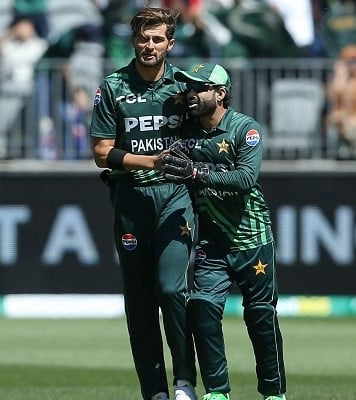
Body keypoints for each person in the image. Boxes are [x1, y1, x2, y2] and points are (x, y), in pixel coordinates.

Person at [161, 63, 287, 400]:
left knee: (260, 316)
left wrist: (196, 173)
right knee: (201, 306)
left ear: (220, 93)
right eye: (188, 88)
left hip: (253, 238)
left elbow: (246, 179)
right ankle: (217, 391)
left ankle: (274, 393)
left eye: (200, 88)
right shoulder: (185, 131)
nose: (191, 94)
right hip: (212, 240)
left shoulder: (244, 129)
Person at [89, 7, 197, 400]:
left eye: (157, 39)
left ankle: (185, 380)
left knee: (171, 289)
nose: (148, 46)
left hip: (174, 198)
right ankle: (155, 392)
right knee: (139, 302)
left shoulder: (183, 88)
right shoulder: (114, 86)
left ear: (170, 43)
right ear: (133, 40)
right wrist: (149, 161)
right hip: (131, 198)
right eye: (142, 38)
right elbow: (102, 151)